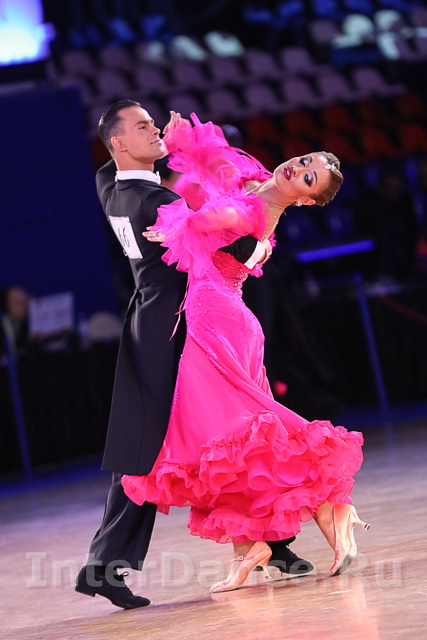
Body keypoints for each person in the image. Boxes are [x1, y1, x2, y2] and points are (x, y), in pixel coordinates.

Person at [75, 99, 308, 610]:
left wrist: (165, 149)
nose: (154, 130)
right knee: (160, 448)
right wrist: (265, 229)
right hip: (180, 324)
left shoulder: (109, 185)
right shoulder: (156, 202)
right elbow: (230, 249)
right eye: (142, 127)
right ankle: (104, 565)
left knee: (233, 430)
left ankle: (273, 544)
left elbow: (115, 167)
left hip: (155, 316)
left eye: (152, 123)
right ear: (119, 142)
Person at [121, 112, 368, 593]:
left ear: (306, 199)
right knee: (227, 442)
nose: (298, 168)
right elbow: (216, 163)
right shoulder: (253, 183)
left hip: (217, 325)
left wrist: (175, 225)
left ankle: (326, 509)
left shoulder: (252, 212)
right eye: (304, 161)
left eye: (308, 177)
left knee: (230, 436)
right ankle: (252, 544)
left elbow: (204, 221)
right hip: (218, 320)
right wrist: (183, 143)